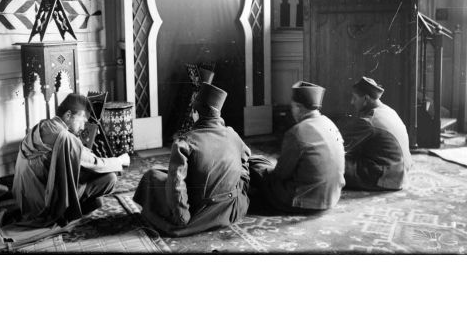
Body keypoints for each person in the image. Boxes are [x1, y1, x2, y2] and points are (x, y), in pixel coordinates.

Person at [133, 83, 251, 237]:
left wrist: (182, 217)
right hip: (231, 208)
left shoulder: (185, 142)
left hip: (199, 212)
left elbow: (176, 184)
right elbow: (245, 164)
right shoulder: (233, 135)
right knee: (163, 173)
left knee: (152, 176)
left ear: (196, 112)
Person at [12, 93, 131, 226]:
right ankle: (68, 211)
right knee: (110, 179)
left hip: (24, 199)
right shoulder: (64, 137)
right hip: (43, 206)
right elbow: (93, 163)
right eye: (82, 121)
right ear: (68, 115)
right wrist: (119, 161)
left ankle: (76, 205)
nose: (82, 127)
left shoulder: (45, 125)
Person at [249, 81, 345, 213]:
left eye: (292, 107)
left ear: (299, 108)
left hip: (302, 200)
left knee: (255, 165)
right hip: (331, 197)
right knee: (265, 164)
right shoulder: (329, 123)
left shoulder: (297, 131)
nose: (292, 111)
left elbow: (280, 175)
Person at [340, 76, 412, 191]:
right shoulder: (389, 110)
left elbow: (342, 145)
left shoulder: (369, 120)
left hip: (387, 178)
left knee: (331, 161)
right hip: (401, 172)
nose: (352, 102)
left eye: (354, 98)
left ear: (366, 99)